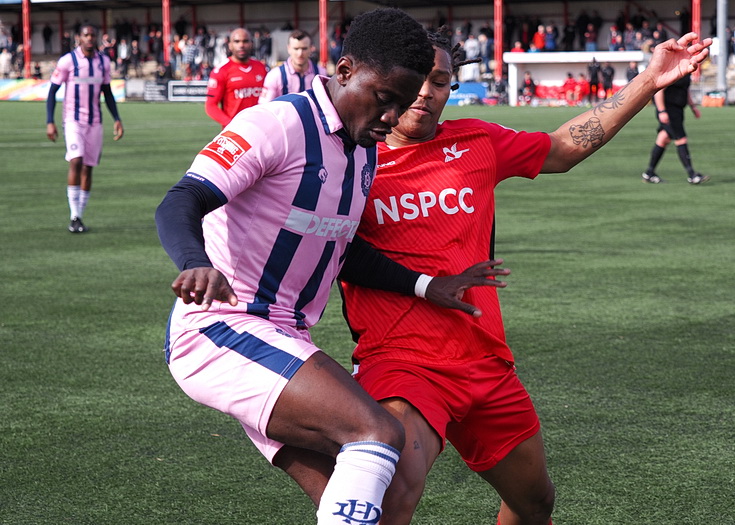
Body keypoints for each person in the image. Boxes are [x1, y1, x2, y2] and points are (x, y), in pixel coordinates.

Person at [280, 30, 712, 525]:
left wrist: (651, 79)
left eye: (440, 82)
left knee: (534, 503)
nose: (425, 92)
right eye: (417, 79)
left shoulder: (477, 142)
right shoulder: (350, 162)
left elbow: (564, 147)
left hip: (486, 361)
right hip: (403, 366)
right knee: (390, 494)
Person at [154, 9, 436, 524]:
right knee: (377, 433)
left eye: (402, 104)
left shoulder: (362, 150)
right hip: (222, 327)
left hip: (285, 336)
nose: (392, 117)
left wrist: (423, 286)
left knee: (363, 498)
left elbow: (338, 247)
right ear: (345, 70)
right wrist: (196, 263)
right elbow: (181, 199)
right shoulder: (277, 124)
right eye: (385, 98)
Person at [46, 24, 124, 233]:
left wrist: (117, 118)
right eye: (86, 35)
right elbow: (52, 92)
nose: (90, 38)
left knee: (88, 168)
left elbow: (107, 93)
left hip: (95, 122)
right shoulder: (67, 61)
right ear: (79, 38)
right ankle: (73, 215)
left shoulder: (103, 62)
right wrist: (50, 121)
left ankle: (79, 216)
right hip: (73, 121)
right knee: (76, 160)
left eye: (93, 35)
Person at [641, 73, 709, 185]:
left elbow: (685, 90)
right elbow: (659, 91)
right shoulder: (673, 72)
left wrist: (693, 107)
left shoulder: (686, 72)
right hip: (668, 110)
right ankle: (692, 175)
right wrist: (662, 111)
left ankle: (649, 173)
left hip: (678, 110)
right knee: (681, 139)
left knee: (663, 139)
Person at [204, 27, 267, 127]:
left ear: (251, 44)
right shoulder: (221, 70)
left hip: (260, 129)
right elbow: (210, 106)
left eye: (245, 41)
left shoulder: (261, 68)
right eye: (237, 41)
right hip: (235, 132)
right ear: (230, 45)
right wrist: (231, 124)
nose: (241, 45)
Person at [258, 29, 327, 103]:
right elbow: (264, 107)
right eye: (296, 49)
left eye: (304, 48)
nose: (300, 53)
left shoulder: (321, 73)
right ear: (289, 48)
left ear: (311, 49)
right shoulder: (275, 75)